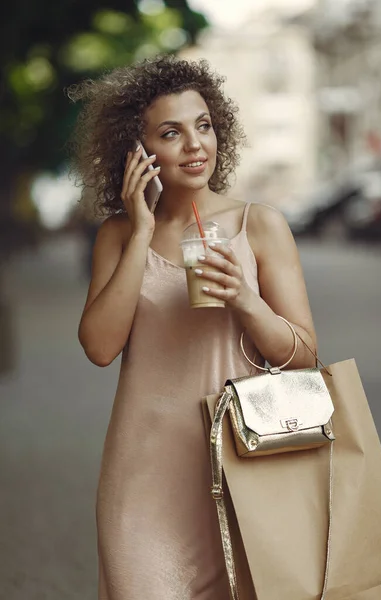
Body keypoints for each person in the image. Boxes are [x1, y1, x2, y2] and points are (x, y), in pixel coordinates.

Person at [68, 55, 317, 600]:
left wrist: (246, 301)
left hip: (246, 465)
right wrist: (141, 233)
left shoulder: (260, 225)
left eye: (203, 125)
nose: (194, 145)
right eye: (171, 132)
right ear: (138, 151)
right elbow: (100, 348)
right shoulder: (117, 236)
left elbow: (303, 358)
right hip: (143, 474)